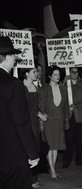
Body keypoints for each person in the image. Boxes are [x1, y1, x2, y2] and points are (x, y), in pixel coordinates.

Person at [0, 36, 39, 189]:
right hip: (13, 157)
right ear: (6, 57)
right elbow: (20, 121)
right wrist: (32, 152)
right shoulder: (13, 84)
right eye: (13, 55)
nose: (15, 58)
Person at [39, 65, 69, 180]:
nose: (58, 77)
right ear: (50, 76)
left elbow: (65, 106)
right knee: (49, 147)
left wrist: (66, 119)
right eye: (55, 75)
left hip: (59, 120)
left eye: (59, 74)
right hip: (48, 121)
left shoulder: (63, 89)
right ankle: (52, 170)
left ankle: (53, 169)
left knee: (55, 146)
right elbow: (41, 105)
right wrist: (41, 119)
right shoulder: (44, 89)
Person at [21, 65, 48, 188]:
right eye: (34, 71)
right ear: (26, 73)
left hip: (35, 123)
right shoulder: (22, 87)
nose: (36, 73)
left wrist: (41, 114)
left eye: (36, 71)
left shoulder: (35, 86)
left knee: (35, 148)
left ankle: (34, 179)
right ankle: (26, 180)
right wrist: (39, 115)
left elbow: (35, 106)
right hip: (26, 122)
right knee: (27, 150)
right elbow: (24, 107)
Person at [62, 67, 82, 168]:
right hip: (68, 116)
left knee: (80, 140)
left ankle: (80, 160)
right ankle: (66, 161)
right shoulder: (65, 85)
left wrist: (76, 106)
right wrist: (64, 82)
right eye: (72, 72)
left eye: (76, 72)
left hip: (79, 116)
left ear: (78, 73)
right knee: (69, 140)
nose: (74, 73)